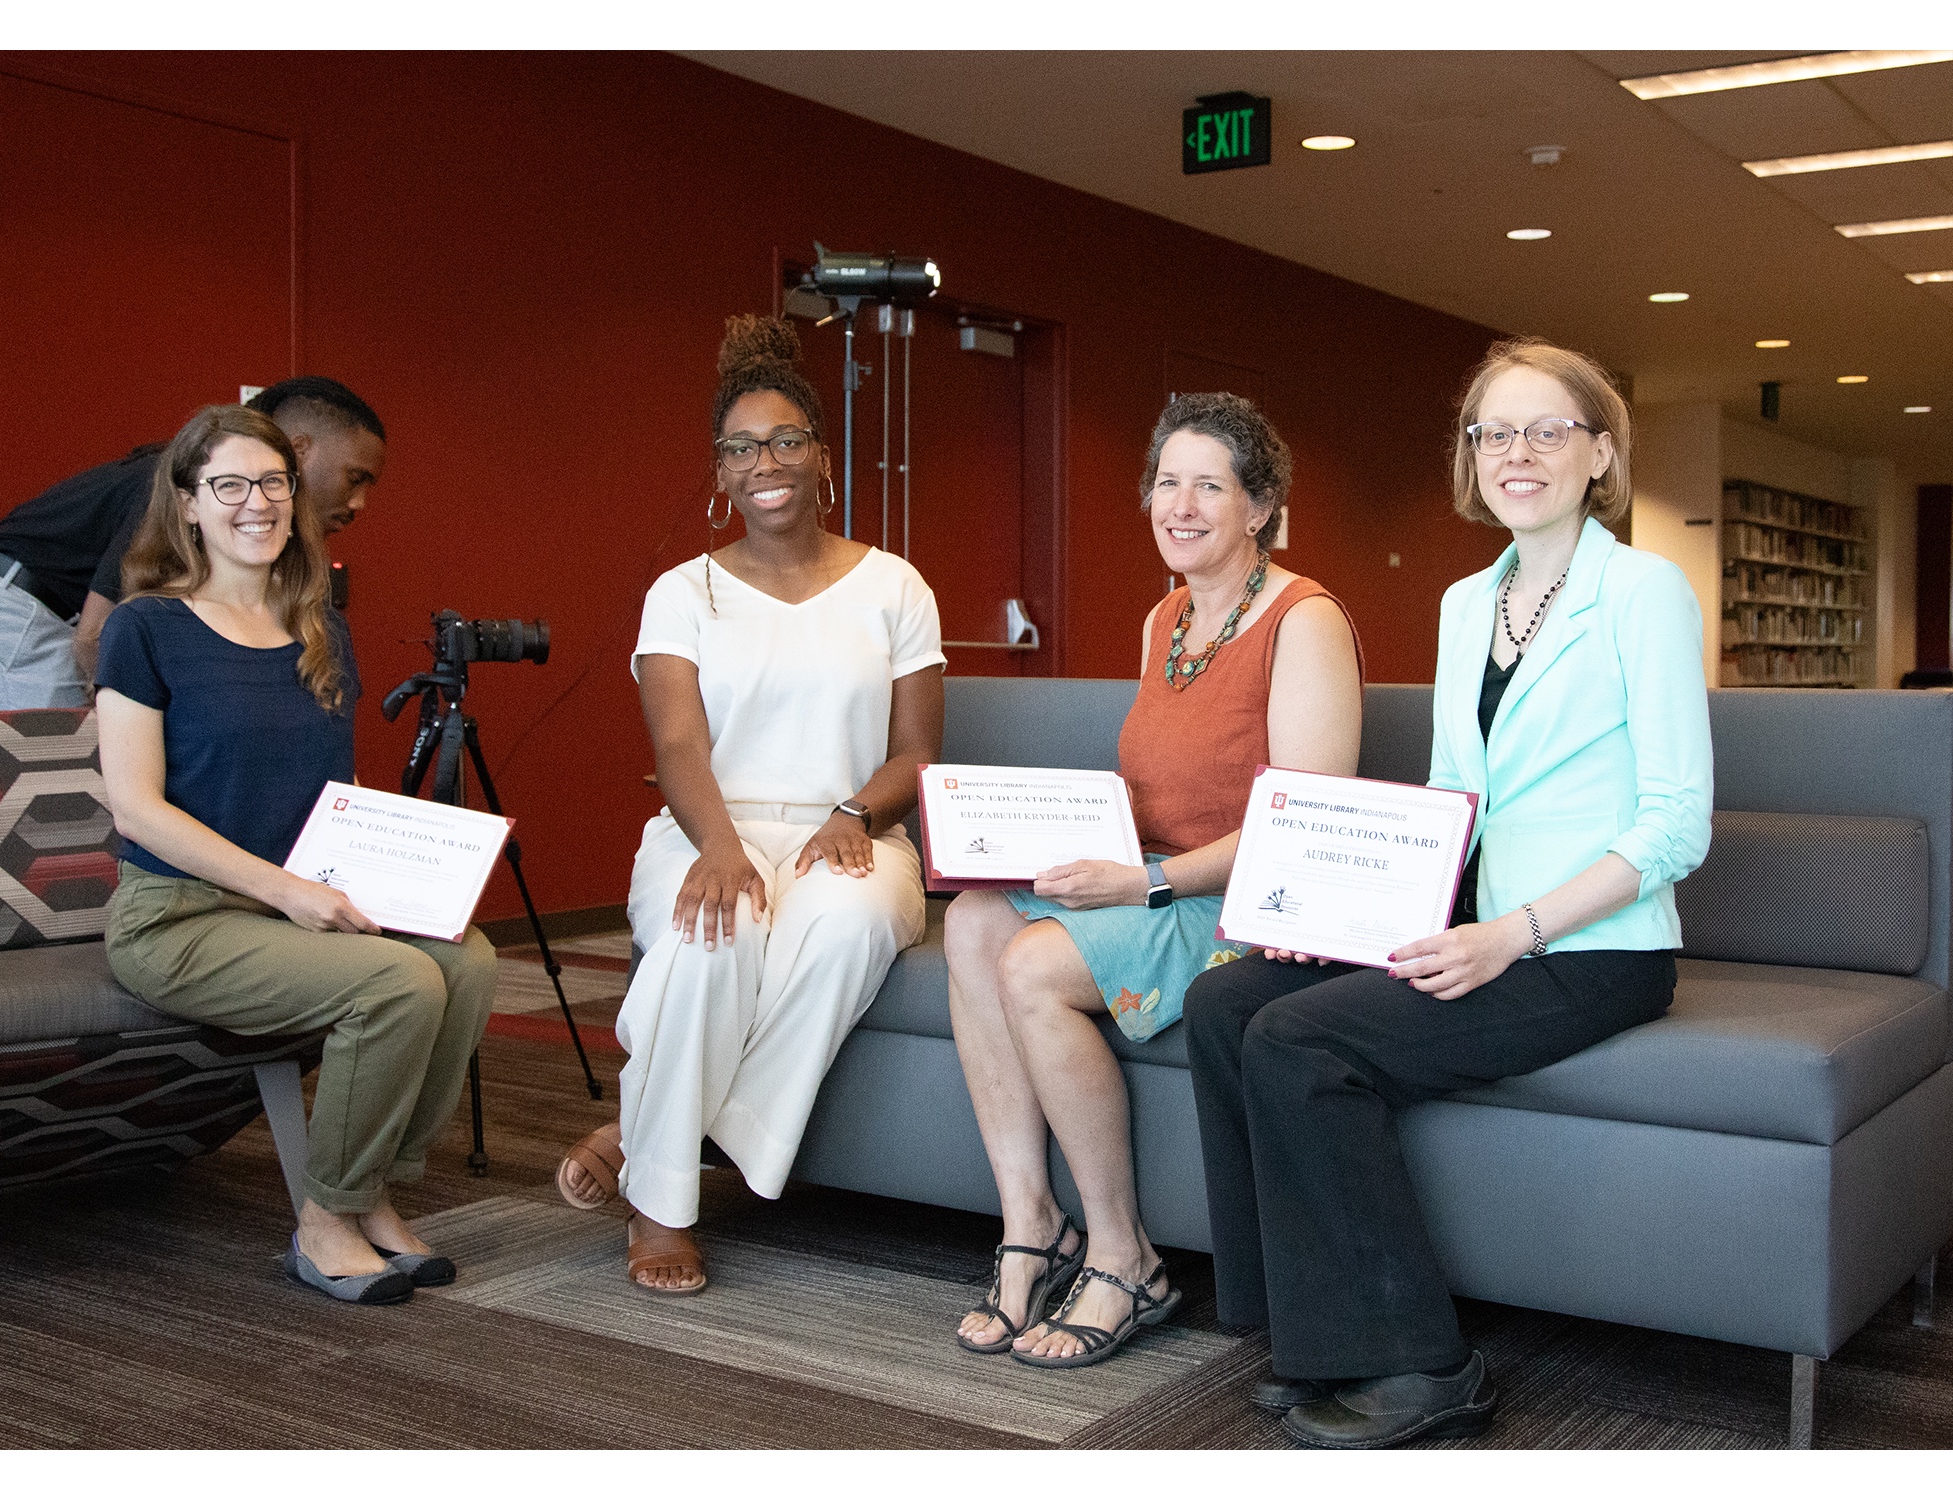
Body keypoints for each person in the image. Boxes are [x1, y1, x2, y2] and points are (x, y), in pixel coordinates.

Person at [1183, 337, 1712, 1447]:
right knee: (1229, 1003)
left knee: (1302, 1043)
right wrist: (1345, 923)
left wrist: (1509, 936)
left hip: (1593, 950)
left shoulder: (1643, 591)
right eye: (1493, 432)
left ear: (1599, 451)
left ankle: (1421, 1365)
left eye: (1548, 430)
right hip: (1478, 923)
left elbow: (1675, 825)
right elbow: (1450, 801)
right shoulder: (1470, 600)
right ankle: (1304, 1329)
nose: (1518, 453)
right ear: (1473, 457)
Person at [946, 393, 1363, 1368]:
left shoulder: (1305, 622)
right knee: (971, 919)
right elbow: (1152, 789)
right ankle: (1029, 1225)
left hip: (1244, 902)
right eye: (1167, 482)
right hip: (1157, 877)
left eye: (1209, 484)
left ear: (1258, 505)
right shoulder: (1164, 618)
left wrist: (1144, 884)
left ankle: (1125, 1256)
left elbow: (1298, 823)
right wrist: (1056, 840)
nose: (1181, 504)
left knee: (1035, 967)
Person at [555, 315, 945, 1294]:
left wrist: (855, 814)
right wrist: (720, 847)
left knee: (851, 927)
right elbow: (679, 744)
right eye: (739, 448)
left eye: (782, 441)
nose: (762, 461)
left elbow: (917, 754)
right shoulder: (680, 594)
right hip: (709, 823)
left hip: (852, 830)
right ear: (720, 473)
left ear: (820, 455)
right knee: (712, 932)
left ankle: (649, 1137)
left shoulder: (896, 587)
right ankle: (660, 1213)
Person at [96, 403, 494, 1306]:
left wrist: (410, 882)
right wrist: (286, 891)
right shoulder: (145, 628)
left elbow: (332, 799)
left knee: (465, 961)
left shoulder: (317, 628)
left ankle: (368, 1193)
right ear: (189, 504)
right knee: (394, 984)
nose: (256, 503)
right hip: (181, 918)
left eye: (271, 482)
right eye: (228, 485)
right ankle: (323, 1223)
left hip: (291, 904)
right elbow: (136, 807)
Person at [0, 376, 386, 711]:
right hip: (11, 618)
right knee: (76, 792)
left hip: (30, 611)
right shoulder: (181, 481)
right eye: (354, 477)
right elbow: (96, 637)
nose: (360, 502)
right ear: (300, 450)